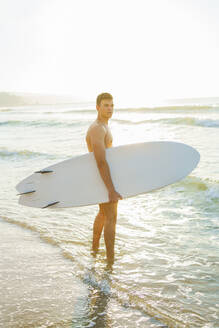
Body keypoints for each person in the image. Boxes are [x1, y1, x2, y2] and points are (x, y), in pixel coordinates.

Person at [85, 92, 123, 266]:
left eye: (112, 105)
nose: (110, 108)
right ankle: (110, 261)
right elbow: (100, 161)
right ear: (97, 107)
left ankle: (94, 250)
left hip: (101, 178)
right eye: (106, 105)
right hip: (103, 179)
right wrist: (111, 189)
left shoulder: (104, 126)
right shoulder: (97, 129)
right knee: (111, 217)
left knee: (103, 214)